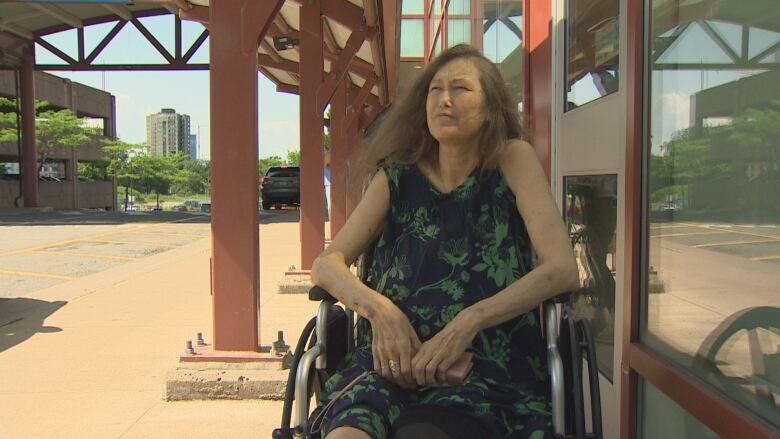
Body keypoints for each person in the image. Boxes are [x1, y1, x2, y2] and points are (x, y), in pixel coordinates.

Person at [310, 44, 579, 439]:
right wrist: (382, 313)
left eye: (461, 89)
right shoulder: (397, 177)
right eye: (435, 90)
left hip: (483, 365)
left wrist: (468, 321)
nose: (444, 101)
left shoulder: (512, 160)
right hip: (389, 362)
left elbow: (562, 269)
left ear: (491, 110)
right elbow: (327, 263)